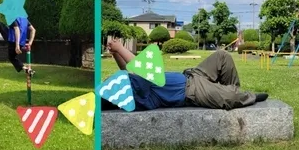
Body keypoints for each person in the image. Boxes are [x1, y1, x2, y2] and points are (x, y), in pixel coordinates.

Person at [103, 37, 268, 111]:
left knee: (222, 56)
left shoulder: (131, 87)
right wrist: (121, 48)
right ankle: (241, 96)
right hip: (194, 92)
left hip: (192, 75)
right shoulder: (137, 97)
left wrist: (116, 54)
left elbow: (126, 71)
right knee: (230, 97)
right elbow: (145, 71)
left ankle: (236, 93)